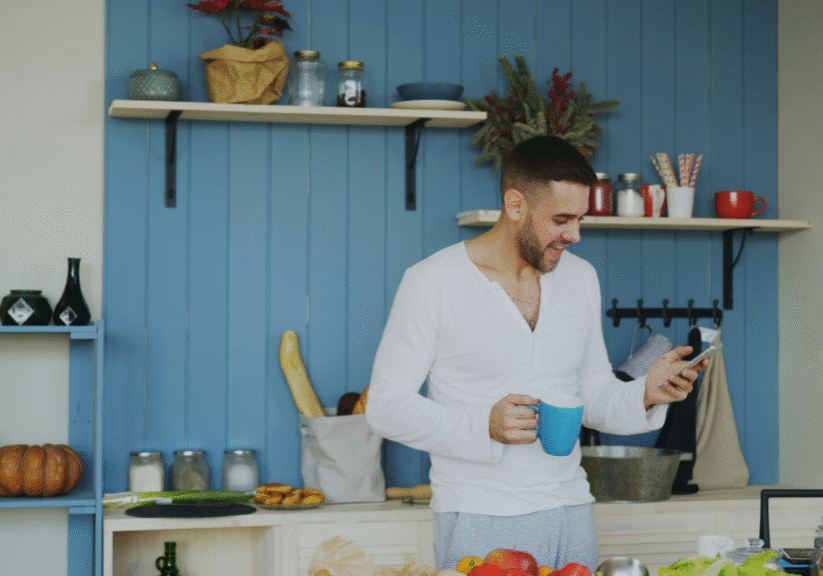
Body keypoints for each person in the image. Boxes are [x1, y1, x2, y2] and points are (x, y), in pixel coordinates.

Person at [366, 135, 707, 572]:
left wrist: (646, 393)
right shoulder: (432, 282)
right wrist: (484, 425)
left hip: (571, 510)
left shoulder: (580, 278)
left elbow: (592, 394)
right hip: (478, 515)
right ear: (515, 205)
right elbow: (386, 407)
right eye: (561, 219)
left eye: (580, 219)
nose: (575, 235)